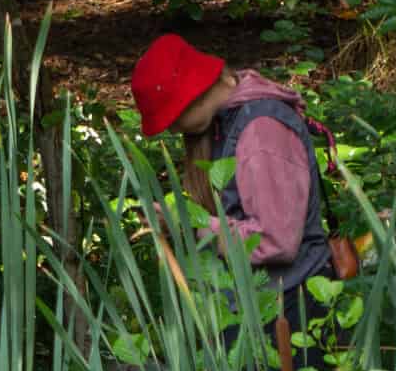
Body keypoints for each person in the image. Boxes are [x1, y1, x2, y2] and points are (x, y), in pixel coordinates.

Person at [128, 33, 339, 343]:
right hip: (259, 307)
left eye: (172, 119)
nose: (172, 129)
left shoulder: (261, 131)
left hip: (292, 311)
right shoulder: (226, 121)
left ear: (193, 93)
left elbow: (275, 240)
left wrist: (192, 225)